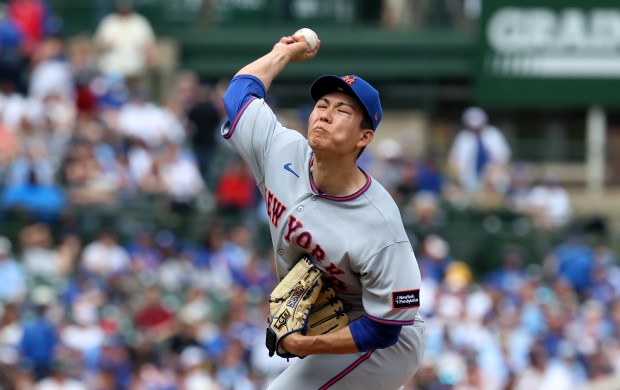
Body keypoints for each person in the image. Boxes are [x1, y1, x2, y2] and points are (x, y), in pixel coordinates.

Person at [220, 32, 425, 389]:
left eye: (342, 111)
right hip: (339, 326)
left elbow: (386, 328)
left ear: (364, 138)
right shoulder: (282, 150)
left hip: (384, 341)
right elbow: (239, 94)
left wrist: (305, 344)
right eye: (322, 105)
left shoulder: (379, 221)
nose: (326, 116)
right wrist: (281, 53)